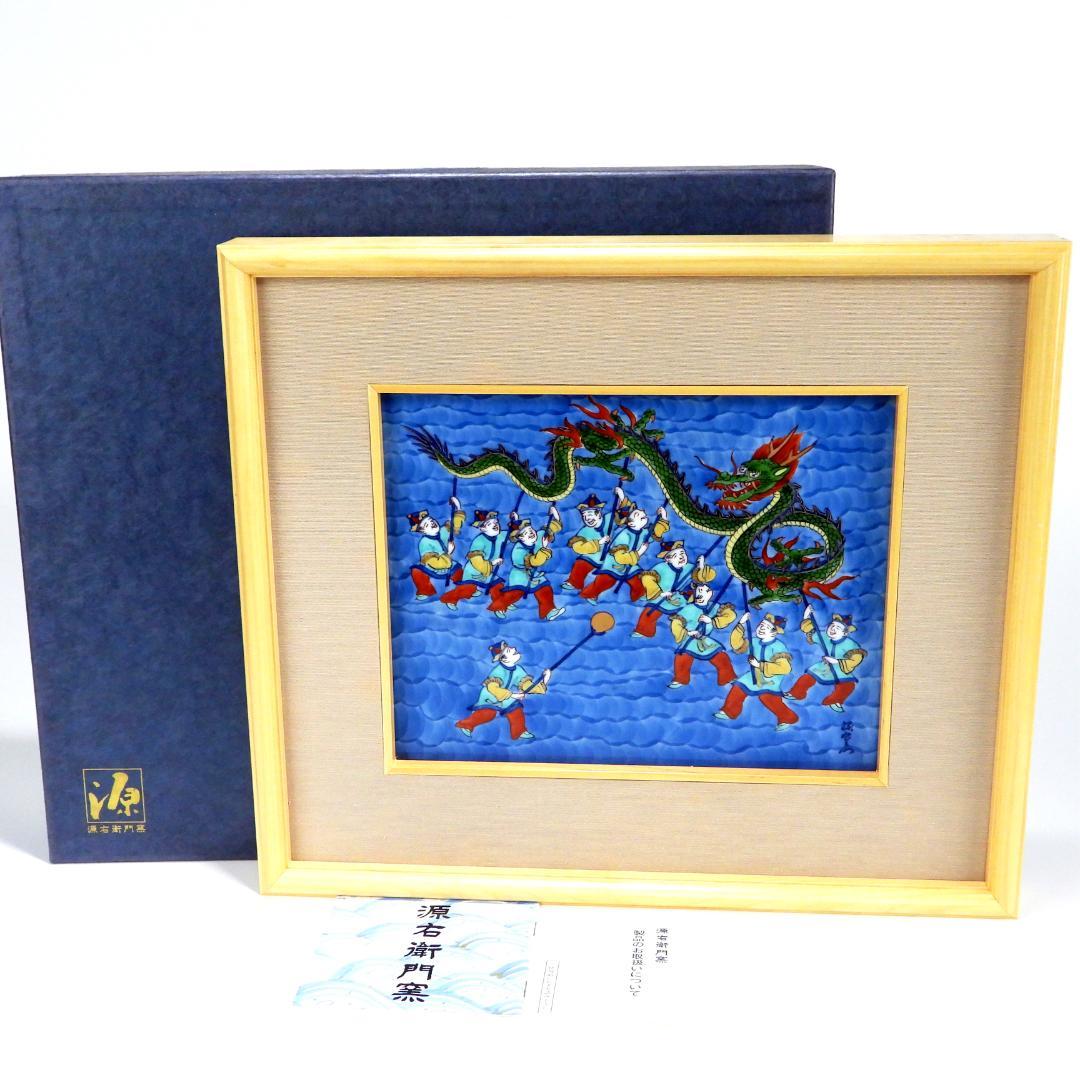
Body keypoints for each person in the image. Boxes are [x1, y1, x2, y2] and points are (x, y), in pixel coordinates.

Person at [714, 612, 799, 729]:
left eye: (766, 627)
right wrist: (741, 624)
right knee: (739, 686)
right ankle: (729, 711)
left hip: (771, 677)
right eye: (761, 625)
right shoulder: (754, 641)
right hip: (754, 674)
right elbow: (737, 645)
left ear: (774, 632)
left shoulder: (778, 646)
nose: (761, 628)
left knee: (768, 698)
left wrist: (760, 665)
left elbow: (785, 668)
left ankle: (788, 717)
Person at [577, 498, 670, 603]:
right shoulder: (624, 536)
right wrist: (639, 552)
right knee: (604, 582)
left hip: (630, 565)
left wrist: (664, 517)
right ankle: (588, 594)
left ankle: (638, 597)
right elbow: (619, 557)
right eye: (637, 514)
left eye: (642, 514)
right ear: (631, 524)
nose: (642, 513)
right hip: (613, 564)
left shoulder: (644, 533)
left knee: (638, 582)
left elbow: (655, 532)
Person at [455, 641, 551, 741]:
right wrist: (513, 695)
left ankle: (519, 732)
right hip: (490, 696)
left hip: (507, 696)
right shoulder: (498, 671)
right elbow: (493, 688)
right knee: (488, 714)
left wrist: (545, 679)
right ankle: (466, 725)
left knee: (516, 709)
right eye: (509, 650)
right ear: (504, 659)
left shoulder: (518, 670)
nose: (514, 648)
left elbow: (527, 686)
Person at [486, 505, 566, 621]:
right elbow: (534, 561)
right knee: (514, 594)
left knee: (545, 590)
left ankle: (549, 611)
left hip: (533, 575)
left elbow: (552, 527)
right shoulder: (518, 551)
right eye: (525, 533)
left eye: (530, 530)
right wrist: (543, 549)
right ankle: (499, 607)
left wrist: (554, 514)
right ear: (520, 538)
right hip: (520, 576)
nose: (531, 533)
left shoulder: (538, 537)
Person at [784, 608, 867, 712]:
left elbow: (857, 658)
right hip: (824, 666)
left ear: (845, 633)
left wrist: (837, 661)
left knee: (848, 685)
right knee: (807, 677)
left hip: (841, 668)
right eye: (832, 625)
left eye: (838, 628)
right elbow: (811, 631)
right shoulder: (825, 638)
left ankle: (835, 700)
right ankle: (796, 693)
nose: (833, 628)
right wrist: (806, 616)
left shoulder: (850, 644)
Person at [439, 508, 517, 610]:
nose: (495, 525)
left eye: (496, 522)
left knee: (497, 586)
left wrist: (515, 521)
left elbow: (512, 535)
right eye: (489, 524)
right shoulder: (479, 541)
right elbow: (477, 561)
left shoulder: (500, 536)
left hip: (487, 573)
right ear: (482, 528)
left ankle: (501, 604)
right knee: (467, 590)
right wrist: (493, 563)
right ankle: (449, 599)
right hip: (473, 572)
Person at [667, 575, 737, 689]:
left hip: (705, 640)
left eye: (704, 591)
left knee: (721, 656)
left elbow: (730, 615)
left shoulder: (714, 607)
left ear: (710, 594)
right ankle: (680, 679)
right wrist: (688, 632)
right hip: (690, 640)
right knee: (682, 658)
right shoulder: (689, 609)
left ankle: (728, 677)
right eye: (698, 590)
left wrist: (712, 621)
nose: (700, 593)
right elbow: (676, 622)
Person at [632, 539, 695, 638]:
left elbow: (701, 576)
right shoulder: (661, 568)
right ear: (668, 559)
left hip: (679, 598)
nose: (681, 557)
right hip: (659, 596)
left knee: (689, 613)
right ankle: (643, 631)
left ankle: (689, 632)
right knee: (649, 613)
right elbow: (647, 578)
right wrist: (660, 593)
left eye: (682, 553)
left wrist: (700, 565)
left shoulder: (690, 568)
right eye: (675, 555)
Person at [407, 497, 465, 600]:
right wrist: (448, 553)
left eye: (431, 520)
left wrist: (458, 508)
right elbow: (435, 563)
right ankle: (425, 590)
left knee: (459, 571)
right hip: (432, 567)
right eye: (427, 524)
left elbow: (454, 525)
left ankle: (463, 588)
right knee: (416, 571)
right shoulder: (424, 543)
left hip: (448, 564)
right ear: (422, 531)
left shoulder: (443, 531)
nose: (432, 523)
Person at [562, 493, 614, 594]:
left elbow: (623, 513)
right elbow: (577, 547)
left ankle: (592, 593)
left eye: (589, 515)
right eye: (584, 516)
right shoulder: (584, 531)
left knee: (610, 577)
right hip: (592, 558)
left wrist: (621, 496)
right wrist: (598, 543)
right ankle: (574, 582)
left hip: (611, 558)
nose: (587, 519)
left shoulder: (610, 519)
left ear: (599, 513)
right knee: (580, 564)